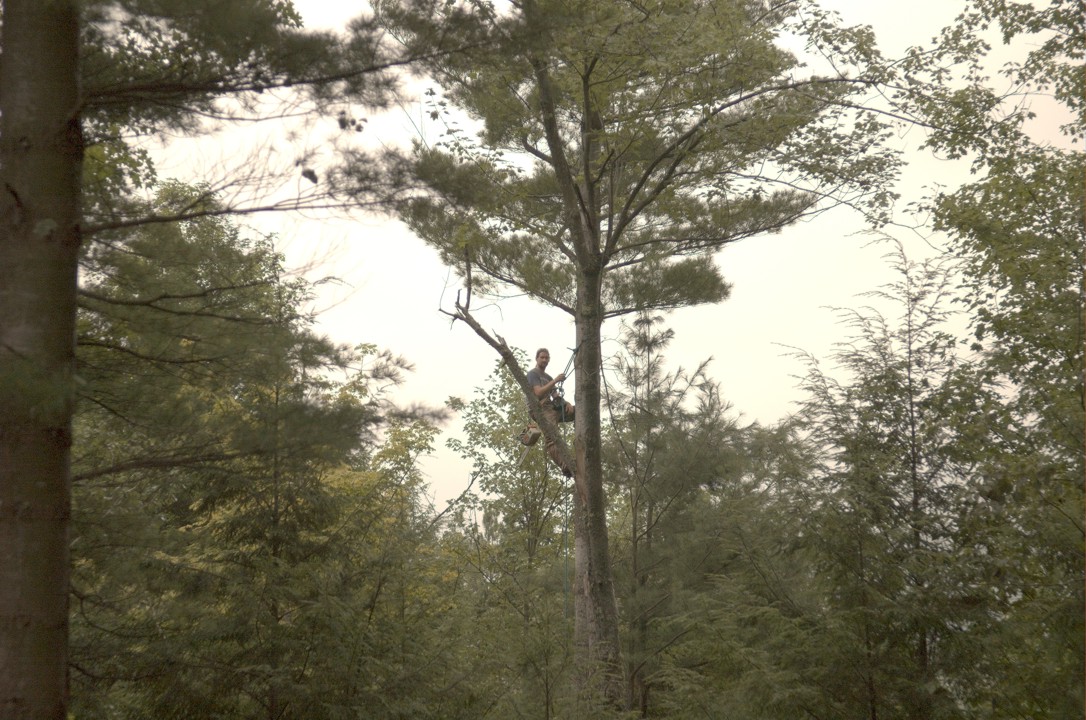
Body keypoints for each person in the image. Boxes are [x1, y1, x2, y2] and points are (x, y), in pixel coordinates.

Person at [526, 347, 575, 477]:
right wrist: (555, 381)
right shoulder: (533, 374)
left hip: (551, 408)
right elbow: (538, 393)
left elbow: (556, 397)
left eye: (546, 358)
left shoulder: (548, 377)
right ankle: (565, 466)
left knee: (576, 411)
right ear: (537, 359)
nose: (544, 360)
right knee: (552, 436)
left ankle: (581, 442)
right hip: (540, 409)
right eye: (542, 357)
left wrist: (566, 403)